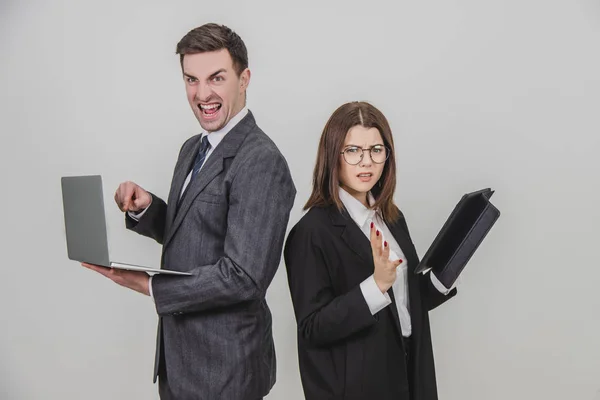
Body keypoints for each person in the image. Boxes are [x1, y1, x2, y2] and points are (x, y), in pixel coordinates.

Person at [82, 23, 296, 400]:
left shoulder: (262, 161)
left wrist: (149, 284)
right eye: (190, 79)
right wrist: (147, 208)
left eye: (216, 78)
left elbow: (244, 277)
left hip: (225, 369)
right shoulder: (192, 148)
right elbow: (198, 232)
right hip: (180, 361)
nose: (202, 94)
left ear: (244, 79)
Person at [283, 101, 457, 400]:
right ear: (332, 155)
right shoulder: (311, 232)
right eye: (353, 151)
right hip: (356, 389)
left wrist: (444, 274)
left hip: (410, 374)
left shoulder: (392, 218)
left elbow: (403, 303)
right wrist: (375, 286)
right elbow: (312, 328)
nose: (367, 162)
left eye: (376, 150)